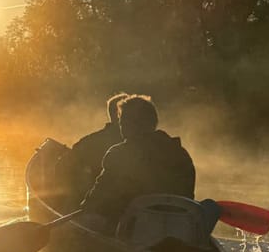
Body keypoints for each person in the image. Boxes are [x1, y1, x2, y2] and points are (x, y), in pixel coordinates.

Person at [80, 95, 195, 228]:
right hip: (177, 227)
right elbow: (188, 195)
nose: (121, 127)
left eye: (122, 122)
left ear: (129, 125)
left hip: (132, 229)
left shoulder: (120, 153)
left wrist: (85, 208)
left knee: (87, 220)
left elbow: (98, 196)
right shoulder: (181, 153)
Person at [53, 92, 128, 209]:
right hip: (113, 207)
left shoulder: (89, 142)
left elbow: (61, 167)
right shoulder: (146, 143)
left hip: (99, 208)